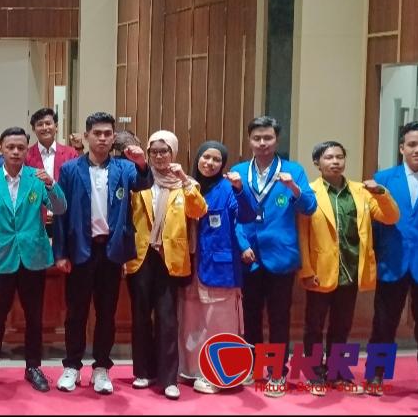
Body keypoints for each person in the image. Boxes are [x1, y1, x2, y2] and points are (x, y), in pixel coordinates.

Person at [54, 112, 152, 395]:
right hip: (80, 249)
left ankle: (101, 368)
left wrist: (142, 162)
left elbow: (144, 183)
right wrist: (60, 253)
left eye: (108, 134)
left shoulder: (124, 168)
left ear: (113, 137)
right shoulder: (70, 169)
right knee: (76, 313)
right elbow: (60, 213)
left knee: (106, 313)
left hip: (111, 250)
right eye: (97, 133)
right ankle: (72, 365)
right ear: (86, 136)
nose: (102, 138)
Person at [298, 141, 399, 396]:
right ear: (317, 163)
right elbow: (302, 235)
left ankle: (337, 372)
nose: (335, 162)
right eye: (328, 157)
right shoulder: (308, 192)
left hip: (352, 271)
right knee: (314, 327)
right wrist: (306, 270)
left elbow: (390, 217)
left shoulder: (361, 191)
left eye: (339, 157)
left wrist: (381, 192)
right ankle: (313, 374)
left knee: (342, 327)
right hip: (320, 272)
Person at [229, 116, 317, 397]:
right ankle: (254, 367)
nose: (262, 143)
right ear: (249, 141)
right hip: (249, 256)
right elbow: (233, 215)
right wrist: (242, 245)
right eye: (257, 138)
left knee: (279, 318)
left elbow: (310, 207)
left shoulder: (293, 170)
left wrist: (293, 188)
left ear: (277, 140)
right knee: (250, 316)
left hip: (281, 256)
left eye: (268, 138)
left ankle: (277, 372)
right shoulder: (238, 172)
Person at [0, 127, 65, 392]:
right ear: (1, 149)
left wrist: (52, 184)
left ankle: (33, 367)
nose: (15, 152)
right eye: (10, 147)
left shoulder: (37, 178)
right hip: (1, 258)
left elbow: (60, 208)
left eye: (21, 147)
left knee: (34, 317)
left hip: (33, 257)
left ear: (27, 150)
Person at [125, 130, 207, 400]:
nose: (159, 156)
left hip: (170, 259)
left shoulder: (186, 183)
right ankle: (144, 372)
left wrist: (183, 179)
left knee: (167, 319)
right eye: (154, 152)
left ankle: (169, 378)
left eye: (165, 151)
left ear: (174, 153)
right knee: (140, 317)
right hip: (140, 257)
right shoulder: (138, 179)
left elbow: (198, 210)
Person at [177, 141, 256, 394]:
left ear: (223, 164)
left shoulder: (229, 188)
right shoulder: (187, 185)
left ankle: (219, 375)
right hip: (191, 265)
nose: (209, 163)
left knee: (219, 323)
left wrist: (241, 189)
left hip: (221, 268)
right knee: (191, 321)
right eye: (206, 157)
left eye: (216, 159)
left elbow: (246, 215)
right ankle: (191, 369)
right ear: (197, 158)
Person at [368, 120, 418, 396]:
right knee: (383, 322)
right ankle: (376, 375)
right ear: (402, 148)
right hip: (392, 260)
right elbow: (373, 224)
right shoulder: (384, 178)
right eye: (412, 144)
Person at [25, 108, 80, 183]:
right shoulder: (26, 155)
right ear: (33, 129)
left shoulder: (71, 153)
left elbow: (77, 181)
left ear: (56, 126)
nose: (44, 128)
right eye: (40, 124)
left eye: (48, 123)